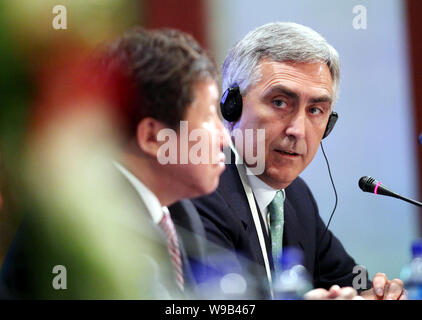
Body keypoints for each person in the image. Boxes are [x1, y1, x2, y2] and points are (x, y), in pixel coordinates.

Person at [0, 28, 228, 299]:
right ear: (154, 137)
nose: (224, 138)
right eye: (210, 116)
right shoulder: (78, 226)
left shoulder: (181, 215)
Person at [192, 22, 406, 300]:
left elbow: (350, 281)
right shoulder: (202, 190)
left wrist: (377, 294)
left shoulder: (297, 198)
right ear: (231, 106)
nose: (298, 130)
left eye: (316, 110)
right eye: (280, 102)